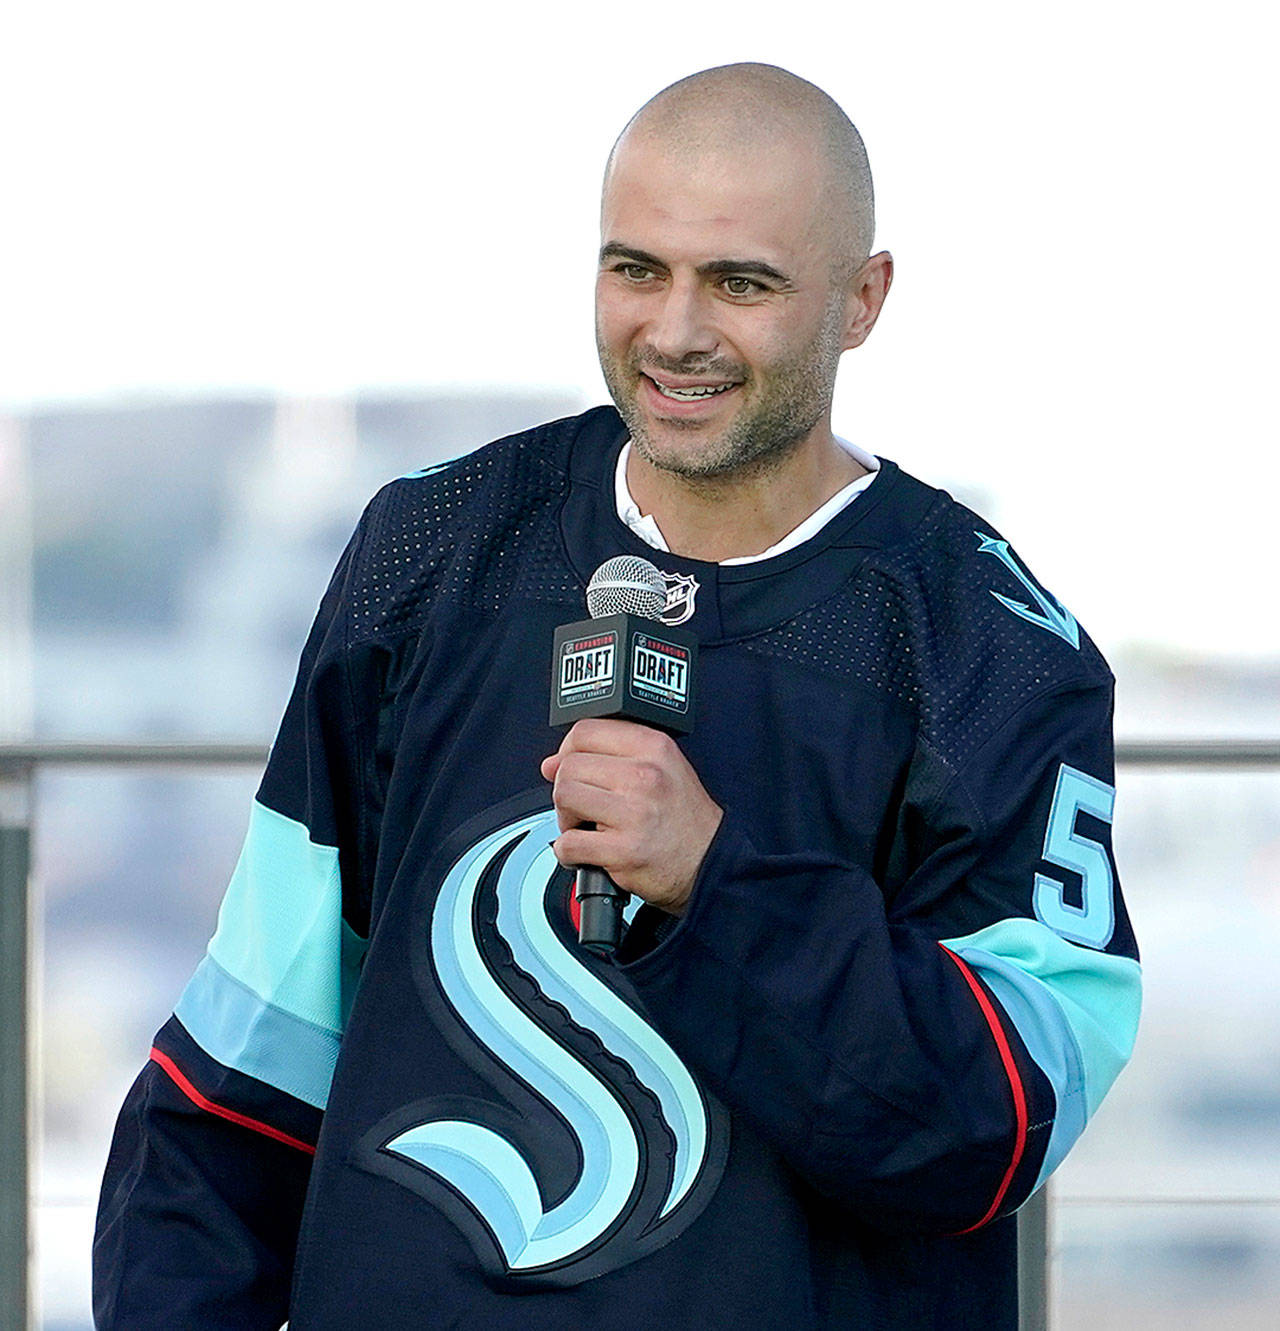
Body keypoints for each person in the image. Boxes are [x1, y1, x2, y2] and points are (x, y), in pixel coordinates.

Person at [93, 63, 1141, 1330]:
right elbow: (248, 1053)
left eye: (741, 282)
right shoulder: (432, 544)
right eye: (635, 268)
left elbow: (988, 1131)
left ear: (860, 300)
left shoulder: (991, 645)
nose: (675, 330)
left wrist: (720, 885)